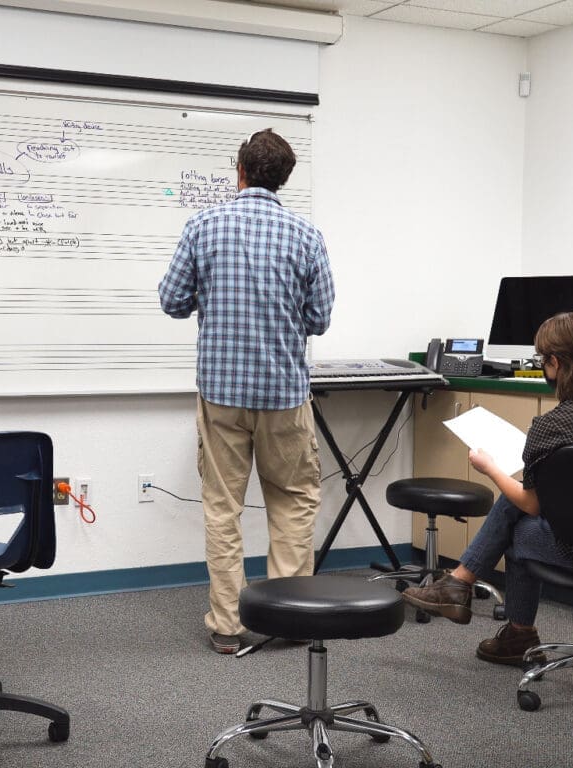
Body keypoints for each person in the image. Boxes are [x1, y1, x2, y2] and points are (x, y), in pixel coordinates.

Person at [158, 129, 335, 654]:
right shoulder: (306, 234)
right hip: (283, 395)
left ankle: (227, 627)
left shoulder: (203, 226)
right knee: (294, 503)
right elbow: (320, 319)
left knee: (222, 508)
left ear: (239, 169)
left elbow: (171, 301)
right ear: (284, 177)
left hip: (221, 396)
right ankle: (288, 619)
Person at [403, 311, 573, 665]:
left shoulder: (551, 426)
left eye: (542, 360)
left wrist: (490, 468)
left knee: (517, 527)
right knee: (517, 512)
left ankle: (501, 620)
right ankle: (464, 589)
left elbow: (531, 504)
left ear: (555, 363)